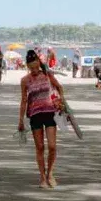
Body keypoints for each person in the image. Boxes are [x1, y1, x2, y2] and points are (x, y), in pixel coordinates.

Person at [19, 50, 66, 189]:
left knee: (52, 146)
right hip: (34, 115)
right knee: (40, 147)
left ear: (39, 63)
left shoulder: (47, 74)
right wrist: (20, 120)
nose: (34, 70)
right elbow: (23, 100)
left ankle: (50, 173)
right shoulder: (25, 80)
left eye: (35, 67)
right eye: (31, 68)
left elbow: (59, 87)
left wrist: (61, 101)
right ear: (27, 66)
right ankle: (42, 177)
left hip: (50, 112)